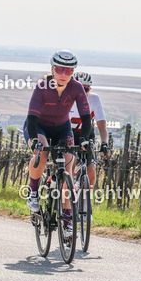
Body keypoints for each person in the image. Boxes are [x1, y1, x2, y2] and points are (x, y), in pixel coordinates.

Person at [23, 50, 92, 237]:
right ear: (53, 69)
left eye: (68, 71)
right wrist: (35, 141)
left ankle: (68, 219)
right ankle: (33, 191)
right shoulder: (42, 86)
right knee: (42, 154)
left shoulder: (77, 88)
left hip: (62, 128)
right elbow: (31, 118)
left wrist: (85, 138)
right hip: (38, 126)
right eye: (60, 69)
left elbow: (86, 119)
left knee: (68, 171)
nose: (64, 74)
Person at [69, 71, 109, 210]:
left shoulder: (94, 99)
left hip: (86, 134)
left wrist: (104, 143)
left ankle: (86, 200)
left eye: (85, 89)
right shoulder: (65, 98)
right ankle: (67, 192)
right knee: (71, 161)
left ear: (89, 89)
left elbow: (101, 123)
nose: (82, 92)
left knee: (91, 168)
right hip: (68, 133)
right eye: (78, 88)